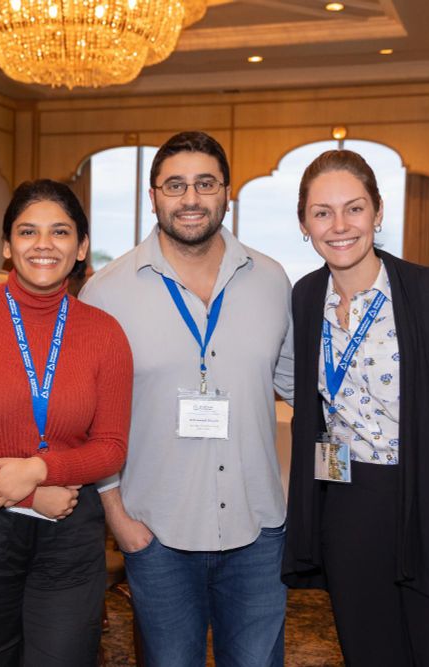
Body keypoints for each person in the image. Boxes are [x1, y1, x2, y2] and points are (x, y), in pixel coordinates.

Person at [282, 150, 429, 666]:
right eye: (322, 212)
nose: (339, 226)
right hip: (349, 513)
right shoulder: (305, 297)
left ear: (378, 213)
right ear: (304, 223)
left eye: (354, 208)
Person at [79, 131, 294, 666]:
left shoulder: (271, 281)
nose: (191, 198)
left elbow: (302, 388)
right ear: (153, 196)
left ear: (226, 193)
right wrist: (119, 519)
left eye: (205, 184)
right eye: (175, 185)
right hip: (157, 532)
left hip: (258, 529)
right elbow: (86, 417)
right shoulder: (105, 292)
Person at [0, 179, 133, 665]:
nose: (44, 244)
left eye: (60, 232)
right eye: (28, 231)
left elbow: (112, 447)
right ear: (7, 245)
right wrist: (30, 494)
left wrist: (38, 469)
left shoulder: (105, 333)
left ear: (81, 247)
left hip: (69, 533)